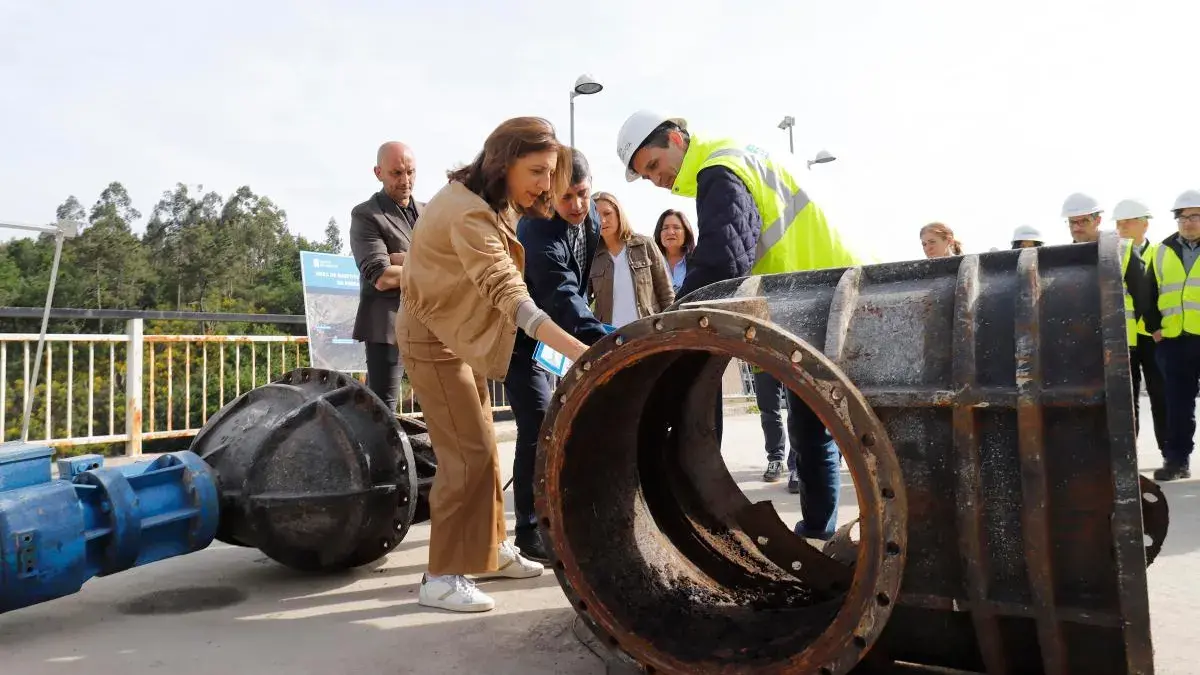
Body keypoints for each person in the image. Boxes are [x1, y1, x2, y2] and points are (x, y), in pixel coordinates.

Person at [615, 110, 868, 541]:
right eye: (646, 175)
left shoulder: (718, 169)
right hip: (832, 289)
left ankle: (823, 529)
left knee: (832, 428)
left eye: (654, 165)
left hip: (819, 297)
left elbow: (723, 260)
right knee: (812, 425)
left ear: (676, 139)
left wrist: (677, 316)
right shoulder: (737, 155)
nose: (657, 179)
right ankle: (818, 529)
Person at [398, 117, 589, 612]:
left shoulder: (483, 197)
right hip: (431, 339)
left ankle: (490, 551)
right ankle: (439, 575)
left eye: (551, 173)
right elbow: (509, 293)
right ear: (504, 162)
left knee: (484, 448)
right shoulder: (467, 213)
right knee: (468, 455)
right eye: (538, 171)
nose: (546, 184)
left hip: (453, 335)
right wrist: (582, 353)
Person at [504, 149, 610, 562]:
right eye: (566, 198)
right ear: (550, 194)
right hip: (520, 338)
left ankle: (564, 511)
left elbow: (580, 288)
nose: (577, 206)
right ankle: (528, 528)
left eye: (583, 194)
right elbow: (563, 299)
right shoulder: (537, 231)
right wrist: (608, 341)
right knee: (537, 422)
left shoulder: (593, 218)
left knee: (571, 420)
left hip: (558, 339)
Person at [349, 141, 424, 412]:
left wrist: (404, 260)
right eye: (397, 173)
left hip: (432, 324)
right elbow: (381, 276)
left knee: (440, 408)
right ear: (378, 172)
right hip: (387, 326)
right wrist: (430, 265)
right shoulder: (366, 214)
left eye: (411, 172)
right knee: (382, 410)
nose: (406, 181)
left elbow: (454, 263)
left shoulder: (431, 213)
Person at [1142, 189, 1200, 481]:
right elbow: (1148, 292)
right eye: (1182, 217)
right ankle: (1176, 461)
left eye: (1195, 216)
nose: (1188, 222)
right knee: (1176, 404)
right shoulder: (1163, 250)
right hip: (1174, 341)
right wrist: (1155, 328)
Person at [1113, 198, 1168, 459]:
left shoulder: (1160, 253)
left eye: (1129, 221)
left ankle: (1169, 451)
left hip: (1155, 337)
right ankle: (1128, 457)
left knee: (1161, 394)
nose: (1123, 227)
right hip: (1125, 339)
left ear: (1145, 225)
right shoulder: (1113, 253)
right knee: (1128, 399)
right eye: (1119, 222)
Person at [589, 191, 675, 327]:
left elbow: (666, 294)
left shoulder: (645, 244)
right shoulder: (591, 256)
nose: (602, 220)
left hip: (648, 331)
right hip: (609, 336)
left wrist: (670, 330)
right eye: (596, 215)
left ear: (618, 213)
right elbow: (582, 301)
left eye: (607, 213)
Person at [653, 209, 696, 294]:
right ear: (659, 233)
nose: (670, 232)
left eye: (676, 227)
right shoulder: (650, 263)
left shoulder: (698, 260)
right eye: (665, 228)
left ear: (686, 232)